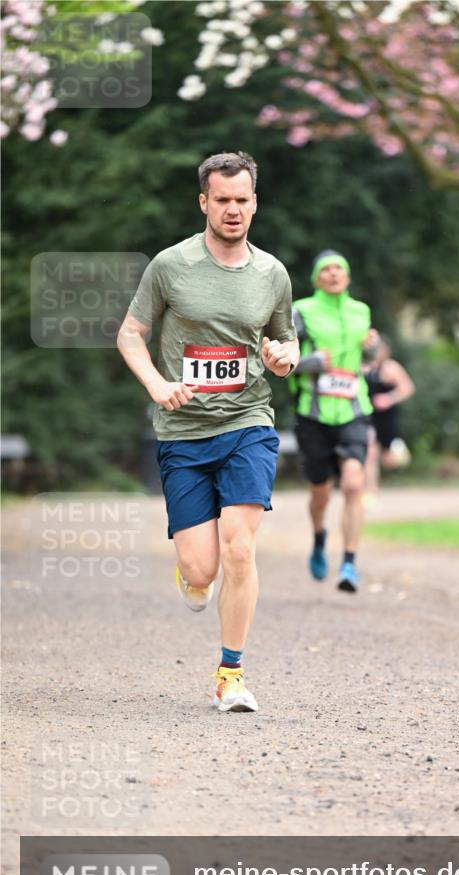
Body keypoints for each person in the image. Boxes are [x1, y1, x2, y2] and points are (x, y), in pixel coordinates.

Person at [116, 151, 300, 714]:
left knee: (240, 550)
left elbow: (286, 343)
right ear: (204, 202)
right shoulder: (170, 266)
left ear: (254, 202)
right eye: (222, 200)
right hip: (184, 432)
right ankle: (191, 572)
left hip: (248, 422)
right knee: (202, 570)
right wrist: (155, 383)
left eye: (242, 199)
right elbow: (130, 334)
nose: (233, 210)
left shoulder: (272, 274)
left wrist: (283, 356)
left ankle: (231, 674)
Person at [291, 250, 378, 593]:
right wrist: (312, 361)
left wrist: (372, 348)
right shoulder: (302, 310)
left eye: (338, 269)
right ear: (315, 279)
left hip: (354, 409)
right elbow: (281, 359)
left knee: (355, 484)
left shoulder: (361, 311)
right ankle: (318, 537)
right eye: (325, 269)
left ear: (348, 277)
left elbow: (368, 356)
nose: (332, 274)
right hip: (313, 414)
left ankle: (350, 563)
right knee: (321, 493)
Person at [363, 335, 415, 496]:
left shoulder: (391, 368)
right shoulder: (364, 367)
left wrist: (389, 398)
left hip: (387, 418)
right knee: (370, 453)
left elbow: (408, 388)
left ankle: (401, 454)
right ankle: (370, 491)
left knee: (390, 460)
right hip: (369, 417)